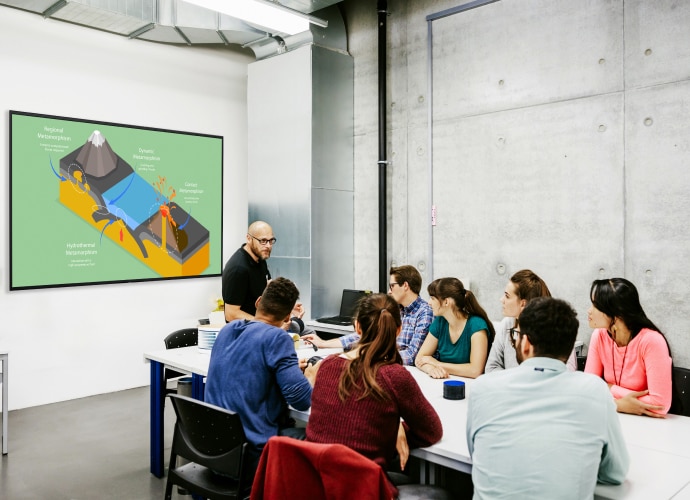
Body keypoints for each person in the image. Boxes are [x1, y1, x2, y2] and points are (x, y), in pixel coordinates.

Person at [467, 297, 629, 499]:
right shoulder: (595, 392)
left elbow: (478, 455)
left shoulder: (482, 388)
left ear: (525, 343)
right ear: (570, 348)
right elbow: (614, 473)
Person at [306, 293, 442, 484]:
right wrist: (394, 428)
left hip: (315, 486)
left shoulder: (327, 365)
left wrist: (392, 427)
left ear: (357, 327)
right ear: (399, 330)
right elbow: (432, 431)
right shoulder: (394, 376)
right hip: (363, 489)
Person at [205, 277, 319, 478]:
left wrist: (287, 370)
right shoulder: (278, 339)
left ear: (258, 302)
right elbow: (301, 401)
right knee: (324, 441)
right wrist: (310, 375)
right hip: (251, 456)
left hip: (213, 450)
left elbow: (250, 370)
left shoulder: (227, 330)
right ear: (287, 318)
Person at [303, 265, 433, 366]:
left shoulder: (424, 313)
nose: (389, 291)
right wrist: (324, 343)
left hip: (404, 369)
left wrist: (369, 355)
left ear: (405, 285)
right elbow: (366, 334)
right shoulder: (395, 309)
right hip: (383, 363)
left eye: (392, 286)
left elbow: (412, 355)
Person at [584, 278, 673, 416]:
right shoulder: (599, 335)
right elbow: (588, 389)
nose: (589, 311)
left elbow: (660, 404)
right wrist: (619, 404)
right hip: (614, 418)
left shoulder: (651, 341)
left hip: (650, 426)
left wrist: (608, 387)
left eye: (596, 306)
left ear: (617, 314)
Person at [485, 269, 578, 372]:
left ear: (523, 304)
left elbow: (568, 370)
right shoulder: (507, 324)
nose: (501, 299)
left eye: (507, 296)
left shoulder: (557, 326)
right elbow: (491, 367)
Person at [415, 277, 495, 379]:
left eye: (433, 298)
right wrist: (431, 369)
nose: (429, 302)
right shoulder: (440, 321)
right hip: (442, 382)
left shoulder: (477, 325)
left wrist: (437, 364)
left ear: (446, 302)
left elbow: (475, 371)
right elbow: (420, 358)